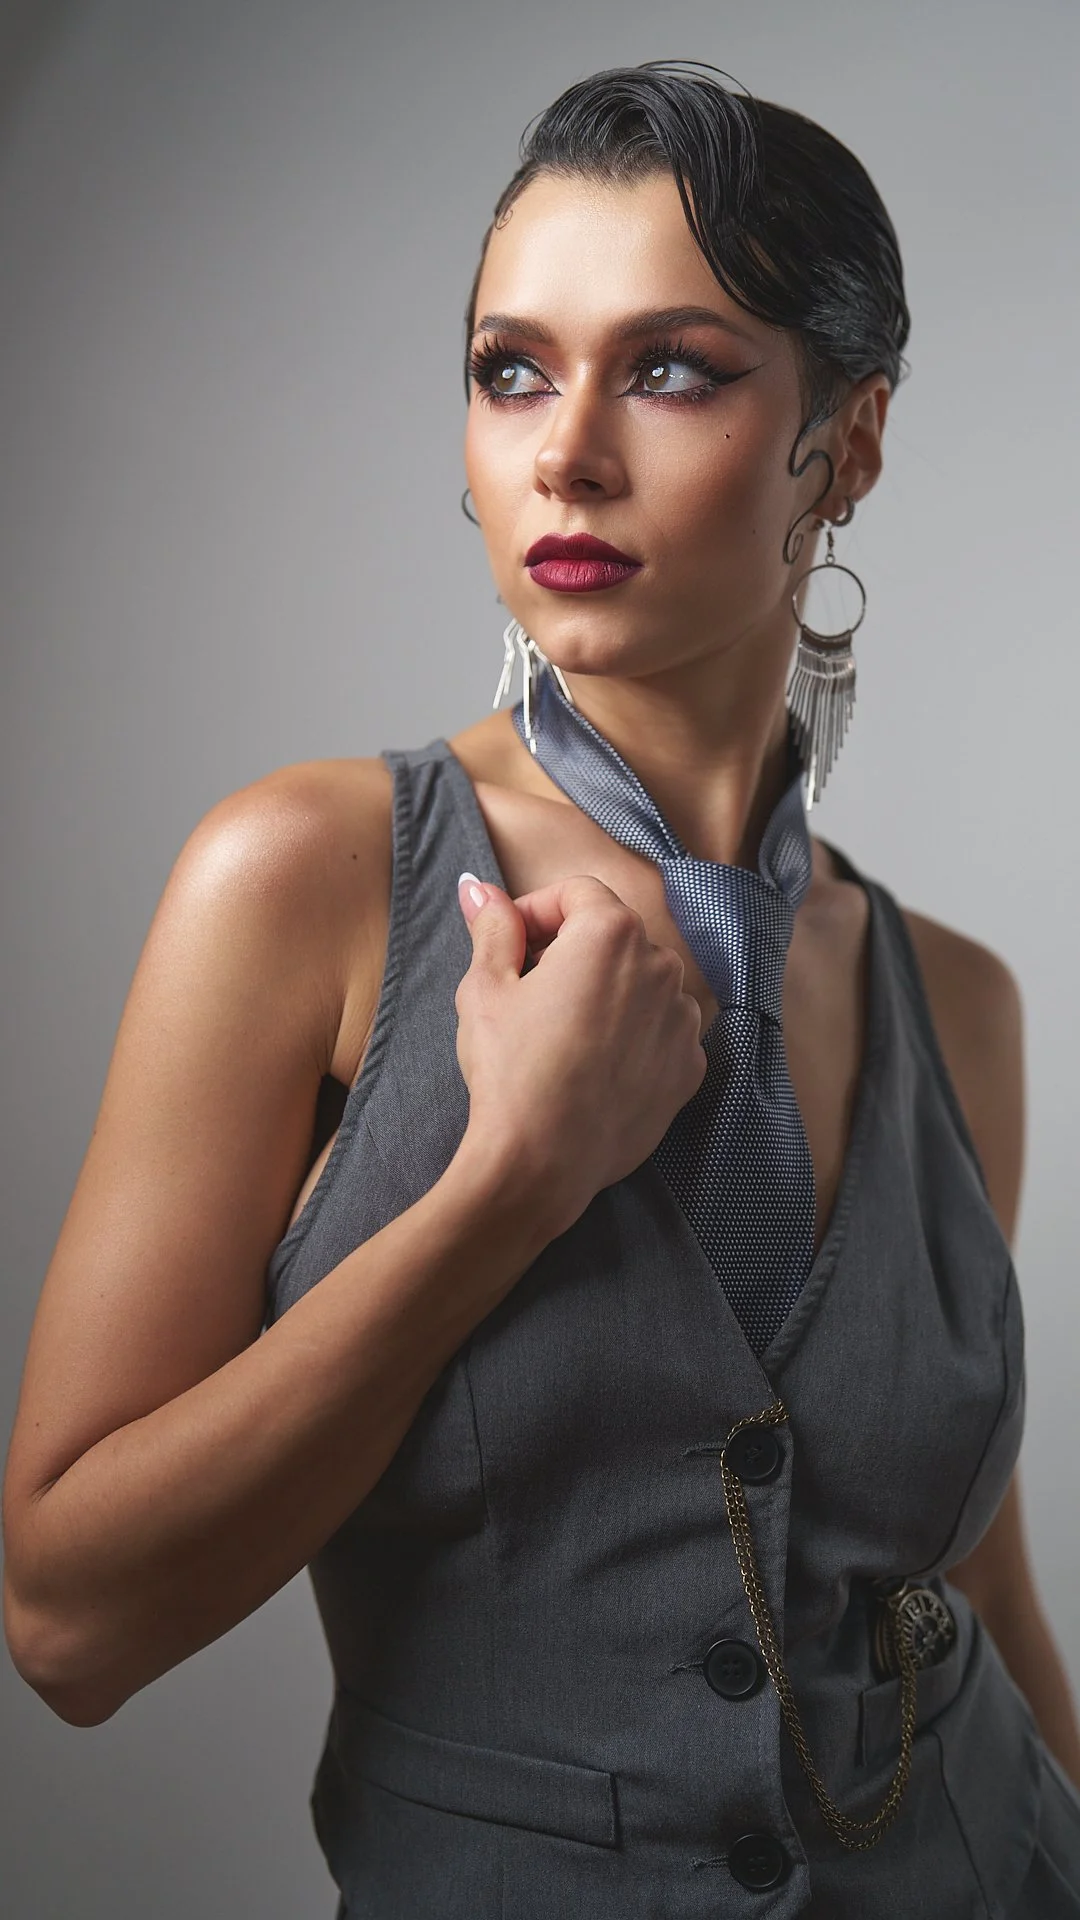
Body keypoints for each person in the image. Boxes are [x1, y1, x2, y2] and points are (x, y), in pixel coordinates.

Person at [4, 56, 1080, 1919]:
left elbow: (969, 1580)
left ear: (848, 444)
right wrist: (506, 1184)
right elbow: (67, 1626)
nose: (566, 451)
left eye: (671, 370)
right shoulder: (312, 883)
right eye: (512, 370)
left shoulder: (956, 1003)